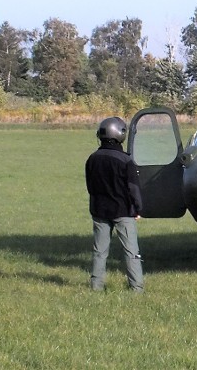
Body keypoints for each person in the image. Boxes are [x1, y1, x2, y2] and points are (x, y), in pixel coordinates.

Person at [85, 116, 144, 292]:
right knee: (131, 252)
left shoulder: (92, 159)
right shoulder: (125, 161)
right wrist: (138, 208)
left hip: (99, 210)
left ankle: (96, 286)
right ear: (120, 134)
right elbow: (133, 188)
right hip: (123, 211)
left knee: (99, 251)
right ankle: (136, 288)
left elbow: (90, 186)